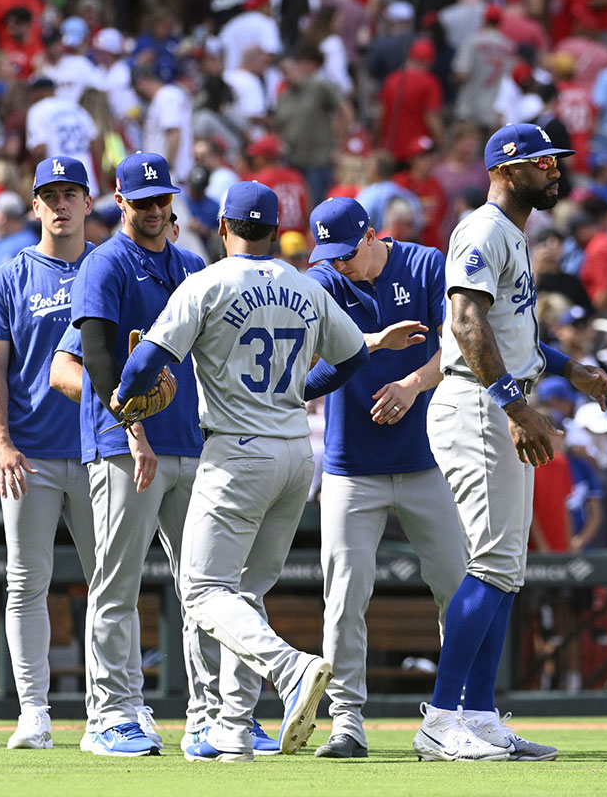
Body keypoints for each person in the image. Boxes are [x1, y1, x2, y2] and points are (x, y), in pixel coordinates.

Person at [114, 181, 367, 761]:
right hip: (296, 452)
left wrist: (121, 399)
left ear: (224, 226)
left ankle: (290, 668)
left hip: (236, 451)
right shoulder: (304, 284)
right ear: (275, 230)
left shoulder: (205, 282)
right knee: (246, 592)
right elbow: (353, 355)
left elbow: (148, 360)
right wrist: (303, 390)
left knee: (202, 590)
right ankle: (232, 724)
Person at [420, 124, 607, 761]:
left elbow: (513, 332)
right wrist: (513, 403)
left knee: (506, 571)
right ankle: (440, 719)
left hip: (495, 396)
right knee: (492, 566)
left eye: (556, 162)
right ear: (505, 169)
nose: (556, 171)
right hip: (478, 402)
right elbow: (467, 320)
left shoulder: (512, 233)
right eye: (542, 162)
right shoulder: (483, 229)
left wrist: (569, 367)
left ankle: (478, 714)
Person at [0, 156, 146, 750]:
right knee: (26, 582)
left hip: (102, 446)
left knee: (113, 583)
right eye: (51, 194)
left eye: (72, 192)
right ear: (35, 203)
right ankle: (34, 711)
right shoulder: (9, 275)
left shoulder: (113, 264)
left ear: (89, 200)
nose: (62, 204)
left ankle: (119, 709)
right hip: (33, 454)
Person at [300, 196, 466, 759]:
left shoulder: (423, 265)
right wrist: (369, 344)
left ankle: (458, 713)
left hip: (426, 458)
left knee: (457, 587)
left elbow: (463, 343)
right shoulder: (320, 281)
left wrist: (413, 383)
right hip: (352, 465)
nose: (339, 264)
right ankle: (346, 721)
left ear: (372, 235)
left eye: (347, 253)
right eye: (330, 255)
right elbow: (304, 376)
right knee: (344, 597)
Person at [68, 151, 218, 756]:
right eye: (143, 201)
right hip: (123, 446)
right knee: (117, 584)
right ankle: (112, 713)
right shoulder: (104, 263)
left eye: (163, 200)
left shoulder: (190, 264)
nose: (155, 210)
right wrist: (132, 429)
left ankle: (210, 714)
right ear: (120, 201)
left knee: (204, 585)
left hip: (189, 439)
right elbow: (99, 356)